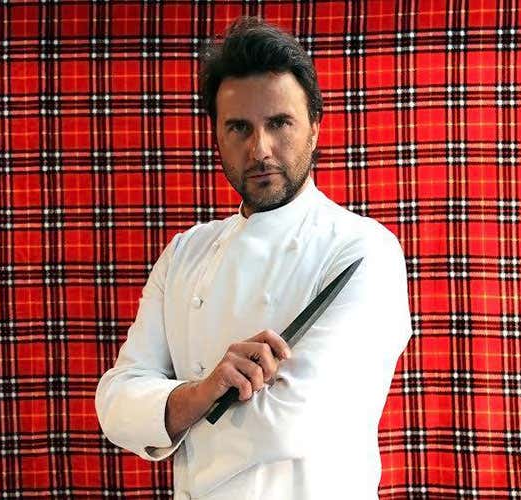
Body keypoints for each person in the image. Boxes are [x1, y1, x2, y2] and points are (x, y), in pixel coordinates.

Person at [95, 16, 412, 500]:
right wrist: (204, 392)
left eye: (279, 123)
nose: (259, 149)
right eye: (239, 127)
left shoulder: (363, 249)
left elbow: (293, 421)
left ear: (314, 127)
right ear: (216, 136)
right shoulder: (184, 254)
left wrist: (169, 414)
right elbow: (116, 402)